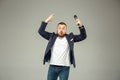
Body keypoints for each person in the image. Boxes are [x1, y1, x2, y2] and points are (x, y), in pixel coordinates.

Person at [38, 14, 87, 80]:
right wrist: (47, 20)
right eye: (59, 28)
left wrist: (80, 25)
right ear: (57, 29)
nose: (61, 30)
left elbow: (83, 36)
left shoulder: (70, 38)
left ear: (66, 30)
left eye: (63, 28)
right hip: (52, 66)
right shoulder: (52, 37)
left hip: (65, 68)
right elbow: (40, 31)